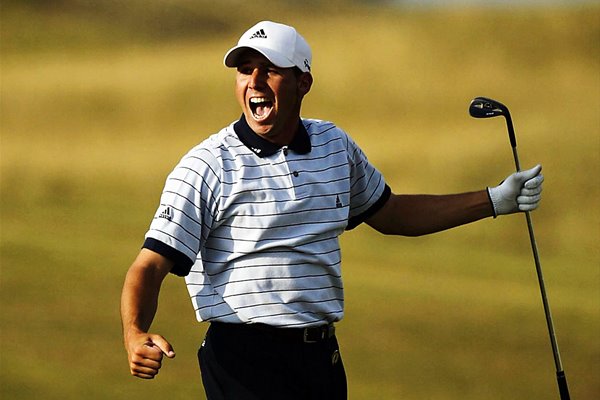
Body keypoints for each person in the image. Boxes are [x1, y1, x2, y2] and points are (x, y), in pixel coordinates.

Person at [120, 20, 543, 400]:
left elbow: (392, 213)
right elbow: (150, 264)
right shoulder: (208, 164)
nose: (255, 81)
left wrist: (493, 200)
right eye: (245, 70)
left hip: (319, 357)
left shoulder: (333, 146)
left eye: (270, 69)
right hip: (243, 359)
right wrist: (135, 333)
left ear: (303, 82)